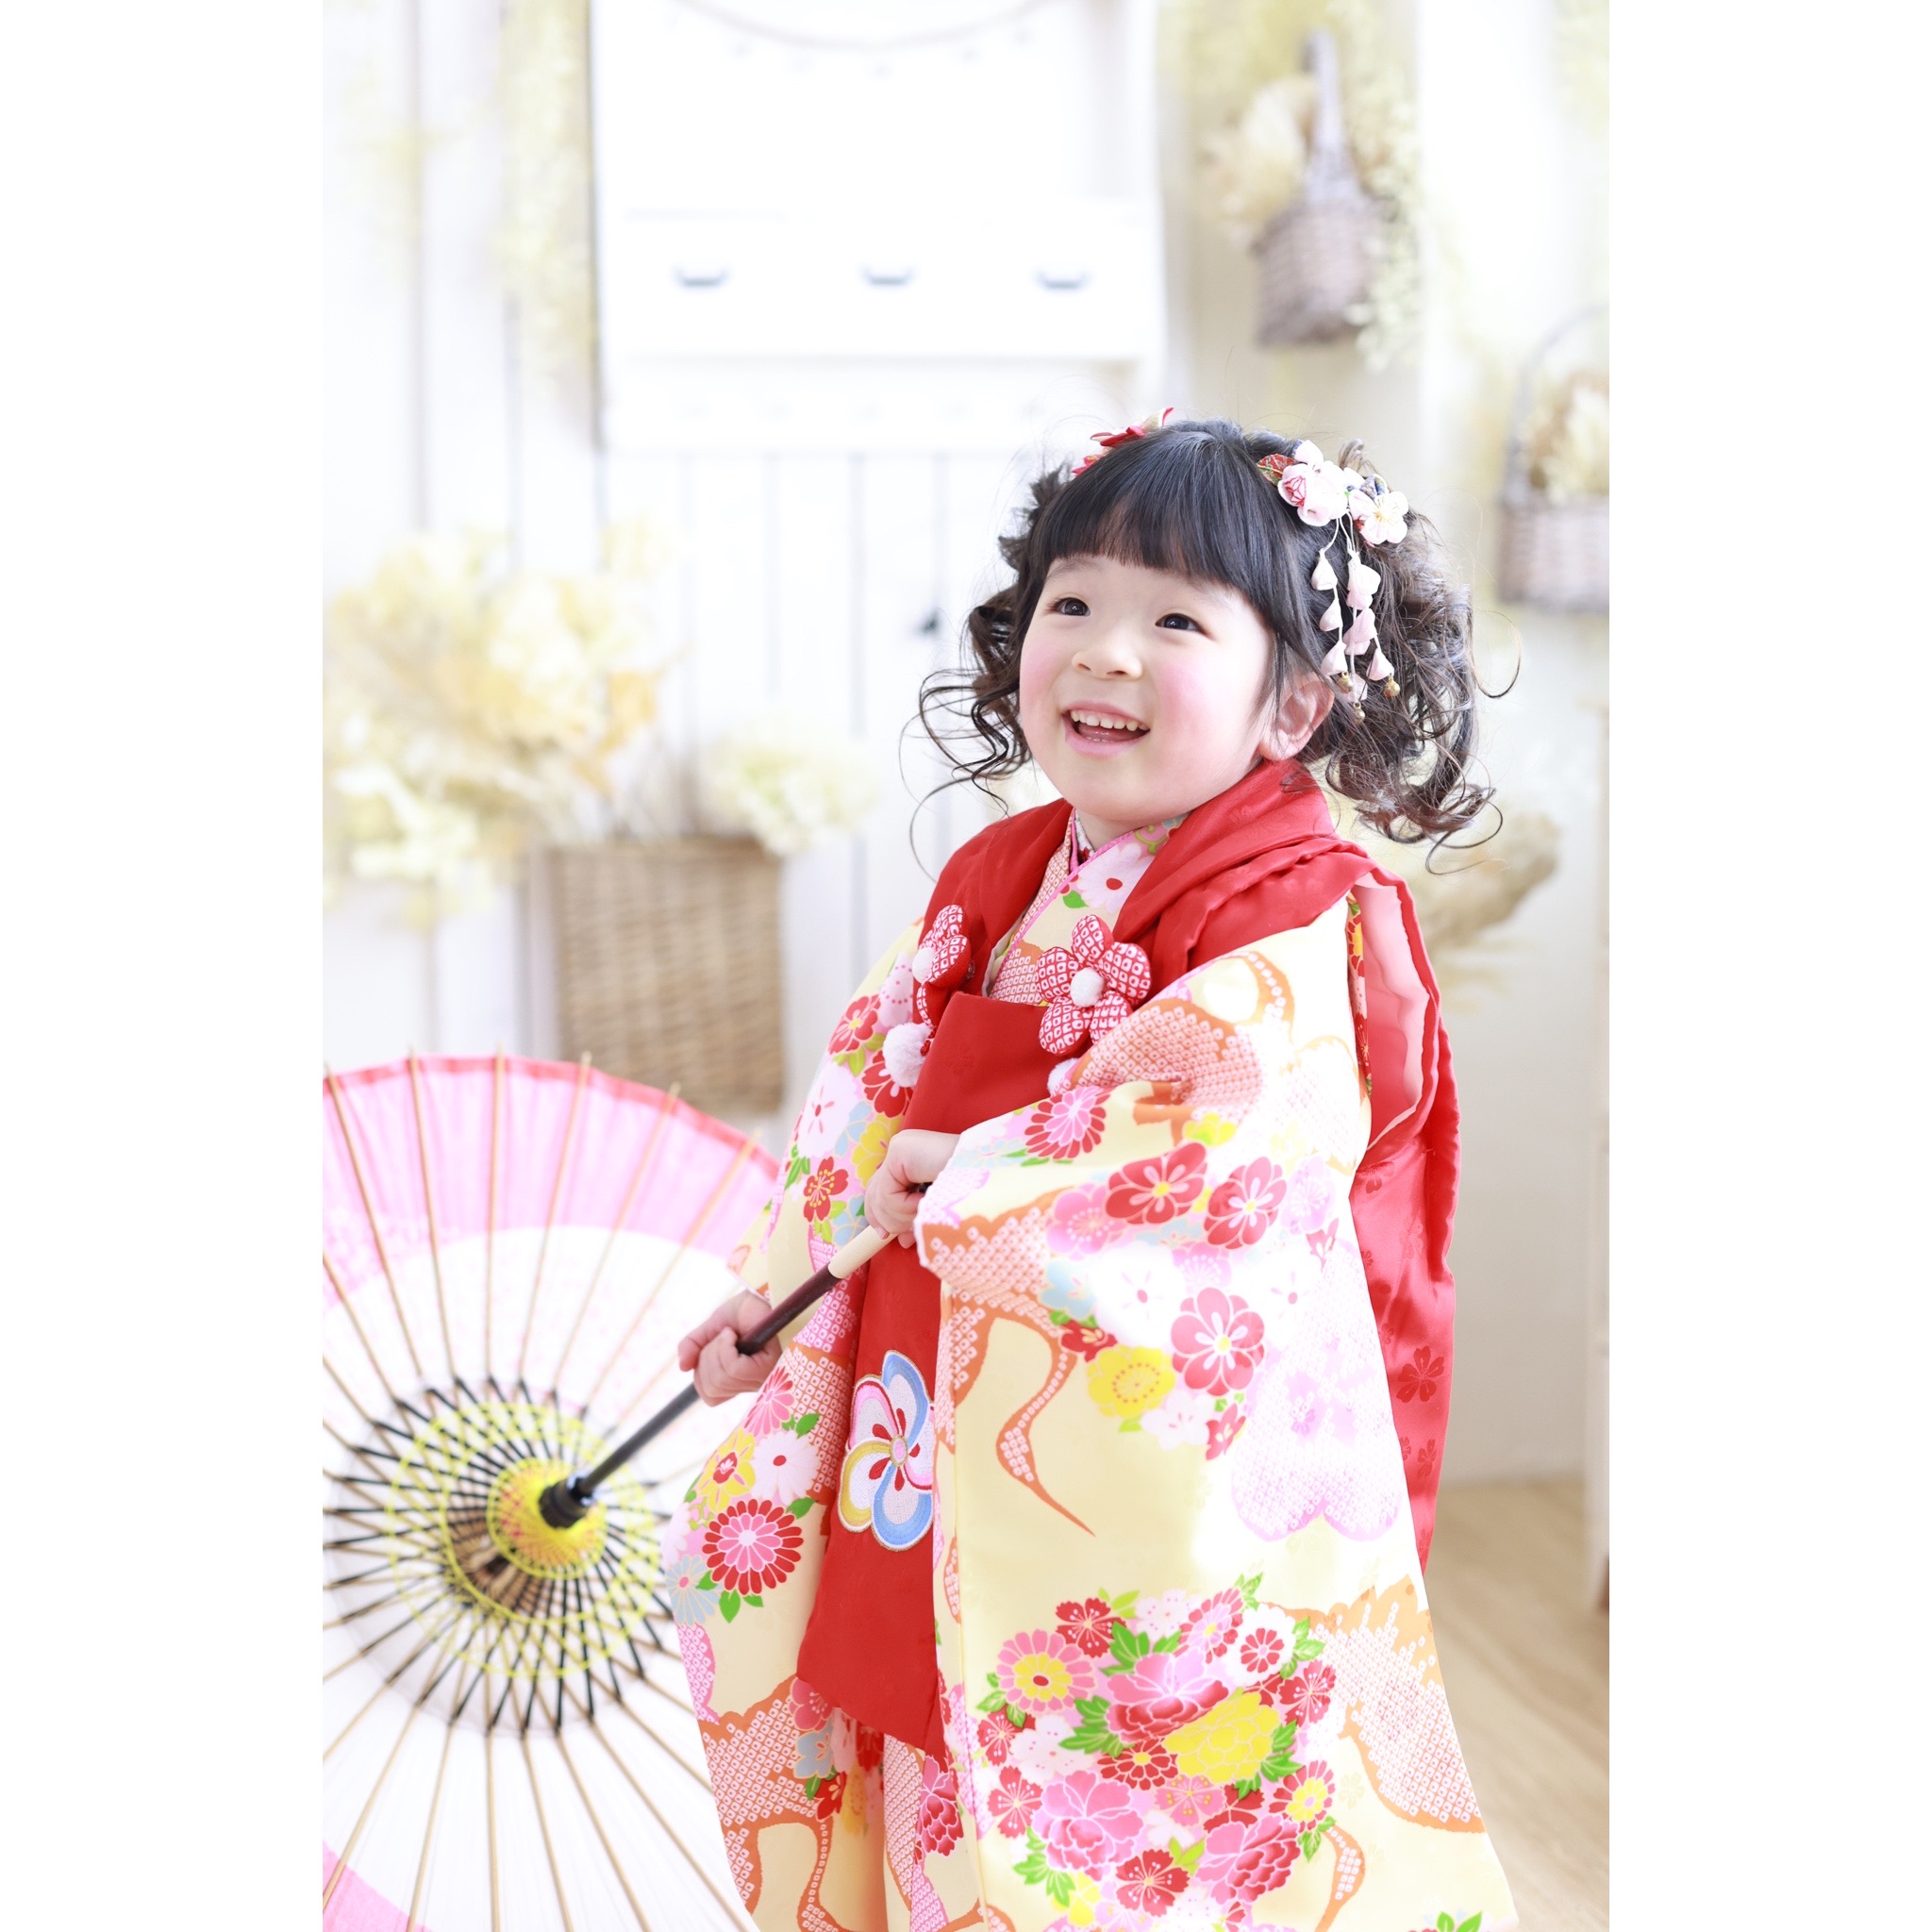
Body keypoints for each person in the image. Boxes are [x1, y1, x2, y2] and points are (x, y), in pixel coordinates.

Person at [667, 414, 1515, 1931]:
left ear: (1294, 702)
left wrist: (990, 1180)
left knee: (1125, 1806)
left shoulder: (1299, 909)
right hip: (927, 1412)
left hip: (1130, 1465)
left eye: (1176, 620)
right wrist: (779, 1303)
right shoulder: (1000, 876)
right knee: (928, 1742)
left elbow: (1230, 1161)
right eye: (1074, 601)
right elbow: (863, 1113)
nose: (1105, 651)